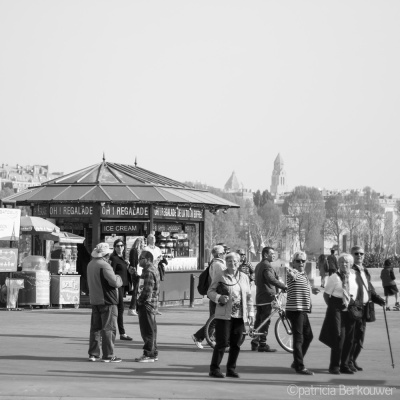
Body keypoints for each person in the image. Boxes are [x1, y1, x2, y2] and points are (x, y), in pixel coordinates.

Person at [207, 252, 254, 378]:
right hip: (224, 315)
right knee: (222, 342)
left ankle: (231, 369)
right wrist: (218, 297)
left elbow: (249, 296)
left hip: (239, 315)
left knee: (236, 343)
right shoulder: (220, 275)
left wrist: (250, 313)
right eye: (229, 261)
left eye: (234, 261)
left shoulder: (244, 277)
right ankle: (214, 369)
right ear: (226, 263)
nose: (232, 264)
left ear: (238, 263)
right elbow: (210, 291)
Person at [348, 246, 385, 372]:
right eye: (356, 253)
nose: (359, 255)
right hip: (355, 308)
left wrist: (379, 300)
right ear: (351, 255)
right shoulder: (350, 271)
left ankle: (352, 359)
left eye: (361, 254)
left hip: (365, 308)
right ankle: (348, 362)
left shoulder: (365, 271)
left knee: (360, 337)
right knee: (353, 337)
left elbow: (369, 289)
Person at [319, 254, 358, 374]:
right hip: (337, 308)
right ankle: (334, 365)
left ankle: (345, 365)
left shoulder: (353, 276)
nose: (344, 264)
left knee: (350, 339)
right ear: (338, 264)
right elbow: (326, 295)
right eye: (341, 262)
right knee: (339, 337)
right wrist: (333, 308)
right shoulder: (334, 277)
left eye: (347, 262)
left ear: (351, 264)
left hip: (350, 309)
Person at [285, 251, 320, 375]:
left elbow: (305, 286)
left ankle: (296, 361)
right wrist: (290, 270)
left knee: (308, 336)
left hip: (302, 310)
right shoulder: (292, 273)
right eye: (298, 261)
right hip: (295, 310)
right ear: (293, 262)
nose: (301, 263)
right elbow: (289, 273)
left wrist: (313, 289)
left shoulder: (303, 274)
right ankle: (299, 366)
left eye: (303, 261)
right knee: (299, 338)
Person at [87, 242, 123, 363]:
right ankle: (108, 355)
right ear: (106, 255)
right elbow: (115, 282)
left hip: (95, 299)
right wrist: (119, 277)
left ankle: (94, 353)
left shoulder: (91, 264)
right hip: (107, 300)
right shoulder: (104, 265)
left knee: (95, 329)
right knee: (109, 329)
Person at [251, 246, 287, 352]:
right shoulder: (266, 266)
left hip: (259, 296)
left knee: (259, 320)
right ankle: (262, 344)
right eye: (272, 253)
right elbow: (271, 279)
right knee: (266, 320)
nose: (274, 255)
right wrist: (283, 286)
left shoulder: (258, 265)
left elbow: (258, 281)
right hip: (267, 297)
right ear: (266, 255)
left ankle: (255, 342)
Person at [191, 245, 226, 349]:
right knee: (216, 319)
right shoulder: (219, 265)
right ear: (219, 254)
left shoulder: (213, 263)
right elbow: (223, 280)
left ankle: (209, 338)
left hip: (213, 293)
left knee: (215, 318)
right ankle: (198, 336)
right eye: (224, 252)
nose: (225, 254)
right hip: (218, 294)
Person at [134, 250, 161, 362]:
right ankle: (153, 352)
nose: (139, 260)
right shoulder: (150, 270)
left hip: (147, 305)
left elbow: (147, 291)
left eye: (141, 258)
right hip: (151, 304)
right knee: (151, 329)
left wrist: (139, 301)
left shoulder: (149, 271)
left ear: (148, 259)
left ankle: (148, 353)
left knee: (147, 330)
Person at [109, 239, 132, 341]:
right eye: (117, 246)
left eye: (121, 245)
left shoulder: (122, 258)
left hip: (123, 286)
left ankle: (119, 332)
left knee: (119, 309)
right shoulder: (114, 258)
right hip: (117, 286)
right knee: (120, 309)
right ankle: (122, 333)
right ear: (114, 247)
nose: (120, 247)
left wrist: (128, 267)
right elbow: (111, 272)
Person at [128, 237, 144, 316]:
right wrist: (135, 271)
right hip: (136, 272)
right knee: (136, 290)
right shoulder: (134, 251)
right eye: (141, 243)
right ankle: (132, 308)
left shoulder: (139, 251)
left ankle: (136, 308)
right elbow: (133, 261)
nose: (141, 244)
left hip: (139, 272)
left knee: (138, 290)